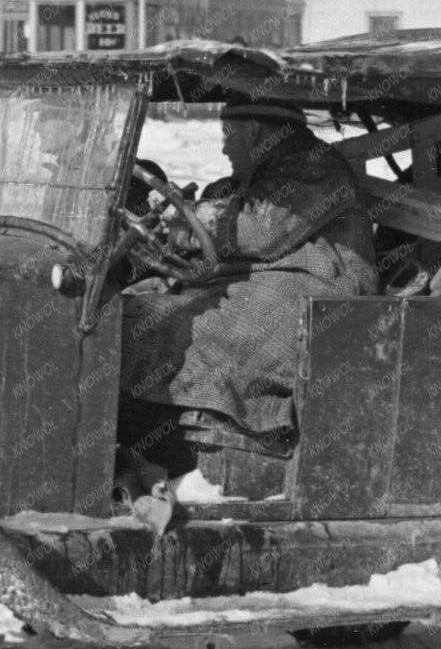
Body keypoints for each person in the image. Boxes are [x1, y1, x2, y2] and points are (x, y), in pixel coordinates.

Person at [120, 100, 378, 450]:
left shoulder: (312, 165)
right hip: (275, 289)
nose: (224, 147)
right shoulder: (279, 165)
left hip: (316, 308)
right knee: (132, 308)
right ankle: (159, 419)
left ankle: (214, 428)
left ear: (253, 131)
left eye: (228, 134)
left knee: (161, 329)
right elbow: (245, 219)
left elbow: (262, 230)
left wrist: (187, 222)